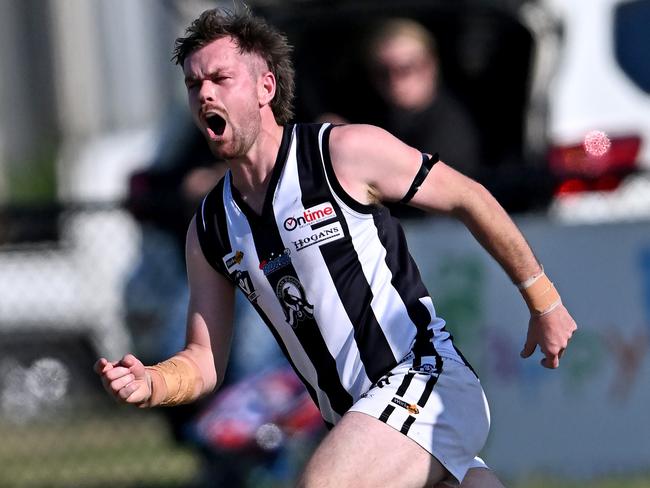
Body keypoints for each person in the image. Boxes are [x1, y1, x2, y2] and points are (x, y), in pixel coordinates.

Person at [95, 8, 577, 488]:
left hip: (424, 382)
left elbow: (470, 198)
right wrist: (153, 382)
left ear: (266, 88)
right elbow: (204, 361)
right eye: (194, 84)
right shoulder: (210, 227)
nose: (204, 94)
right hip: (357, 420)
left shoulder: (341, 153)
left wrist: (543, 299)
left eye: (220, 78)